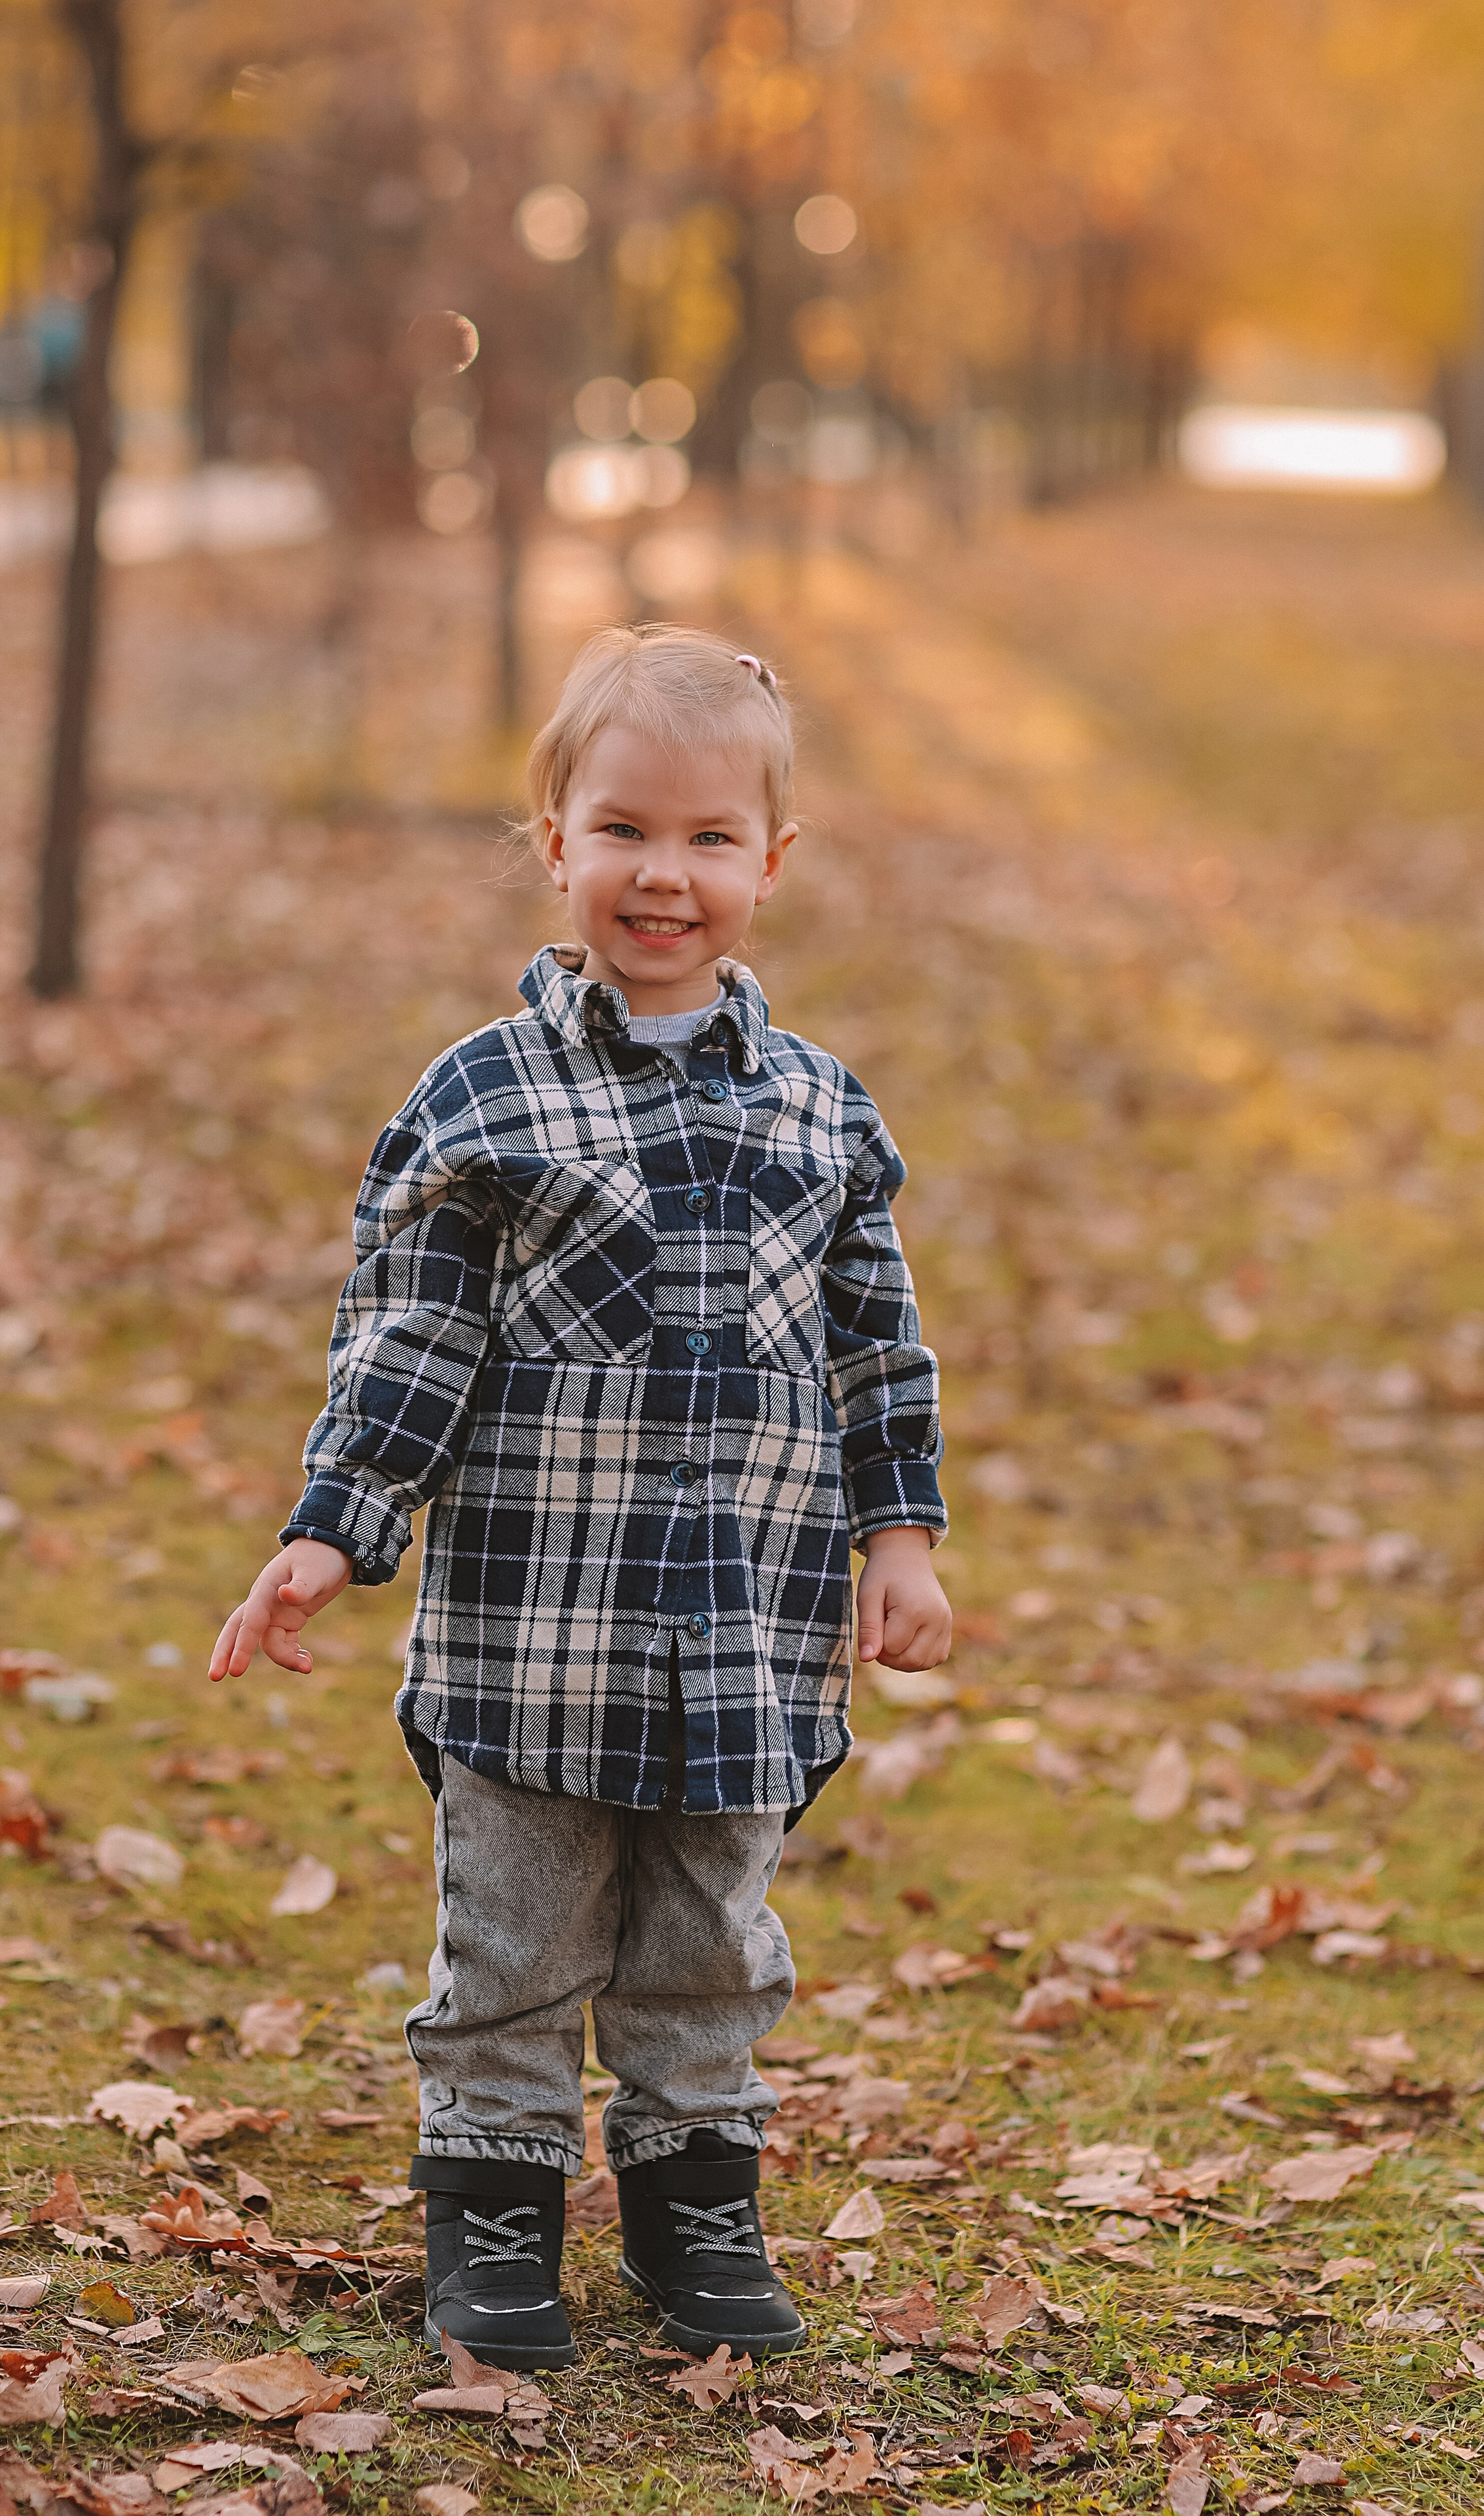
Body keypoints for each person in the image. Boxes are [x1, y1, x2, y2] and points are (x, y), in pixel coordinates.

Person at [210, 626, 951, 2370]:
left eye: (707, 839)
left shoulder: (825, 1113)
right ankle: (495, 2211)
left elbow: (876, 1353)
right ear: (554, 841)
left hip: (749, 1641)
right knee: (518, 1941)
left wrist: (899, 1539)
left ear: (772, 861)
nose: (663, 874)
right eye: (623, 828)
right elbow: (407, 1338)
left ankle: (697, 2205)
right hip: (535, 1644)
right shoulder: (485, 1097)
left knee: (710, 1940)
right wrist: (335, 1526)